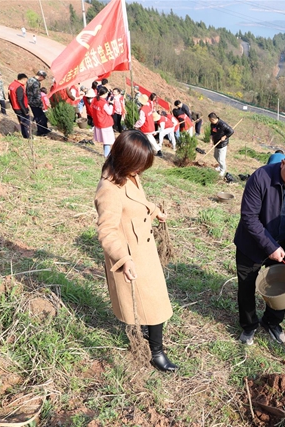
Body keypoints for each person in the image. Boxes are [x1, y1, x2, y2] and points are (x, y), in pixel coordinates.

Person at [94, 130, 178, 372]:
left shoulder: (128, 175)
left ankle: (151, 339)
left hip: (144, 248)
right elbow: (107, 231)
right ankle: (156, 353)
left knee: (152, 301)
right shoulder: (109, 189)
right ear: (125, 159)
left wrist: (154, 211)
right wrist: (123, 259)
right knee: (155, 304)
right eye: (138, 165)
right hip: (132, 255)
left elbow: (137, 201)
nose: (141, 171)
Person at [233, 148, 285, 345]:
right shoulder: (260, 178)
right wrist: (270, 246)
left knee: (281, 285)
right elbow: (249, 217)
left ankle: (272, 321)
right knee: (246, 285)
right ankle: (249, 325)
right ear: (283, 164)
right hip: (252, 244)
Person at [91, 87, 115, 157]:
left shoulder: (95, 99)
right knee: (107, 140)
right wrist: (111, 104)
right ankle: (107, 155)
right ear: (104, 93)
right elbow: (109, 112)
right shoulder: (103, 103)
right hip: (105, 123)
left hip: (98, 122)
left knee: (105, 140)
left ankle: (106, 153)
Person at [208, 112, 233, 177]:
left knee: (221, 159)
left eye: (210, 120)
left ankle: (223, 170)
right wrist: (211, 140)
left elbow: (231, 131)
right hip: (216, 142)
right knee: (216, 156)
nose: (210, 121)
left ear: (213, 119)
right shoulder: (212, 124)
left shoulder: (222, 124)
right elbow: (212, 133)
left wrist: (225, 136)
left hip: (222, 144)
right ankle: (220, 166)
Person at [27, 70, 50, 136]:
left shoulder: (29, 80)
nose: (43, 80)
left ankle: (44, 130)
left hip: (30, 101)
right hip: (36, 103)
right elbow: (37, 95)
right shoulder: (36, 83)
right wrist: (41, 103)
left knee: (38, 117)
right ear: (41, 76)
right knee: (41, 117)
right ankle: (41, 132)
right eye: (43, 78)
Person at [8, 73, 30, 138]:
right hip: (20, 108)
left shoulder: (12, 84)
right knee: (25, 122)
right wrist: (25, 111)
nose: (26, 83)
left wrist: (12, 105)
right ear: (23, 79)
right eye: (26, 81)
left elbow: (9, 96)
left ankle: (25, 135)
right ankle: (27, 136)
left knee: (21, 121)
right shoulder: (19, 87)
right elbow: (20, 100)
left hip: (15, 107)